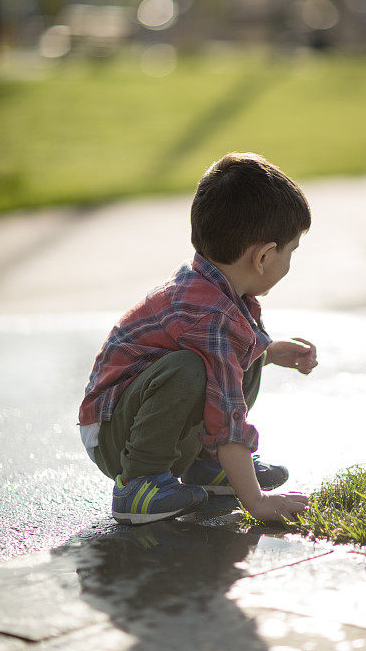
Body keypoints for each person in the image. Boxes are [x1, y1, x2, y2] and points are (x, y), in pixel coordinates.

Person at [78, 152, 317, 526]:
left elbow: (229, 370)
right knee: (190, 368)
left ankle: (207, 468)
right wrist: (256, 500)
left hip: (139, 417)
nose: (290, 262)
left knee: (247, 351)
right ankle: (139, 485)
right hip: (115, 436)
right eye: (291, 252)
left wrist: (267, 354)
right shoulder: (210, 315)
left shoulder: (225, 296)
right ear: (264, 256)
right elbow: (226, 417)